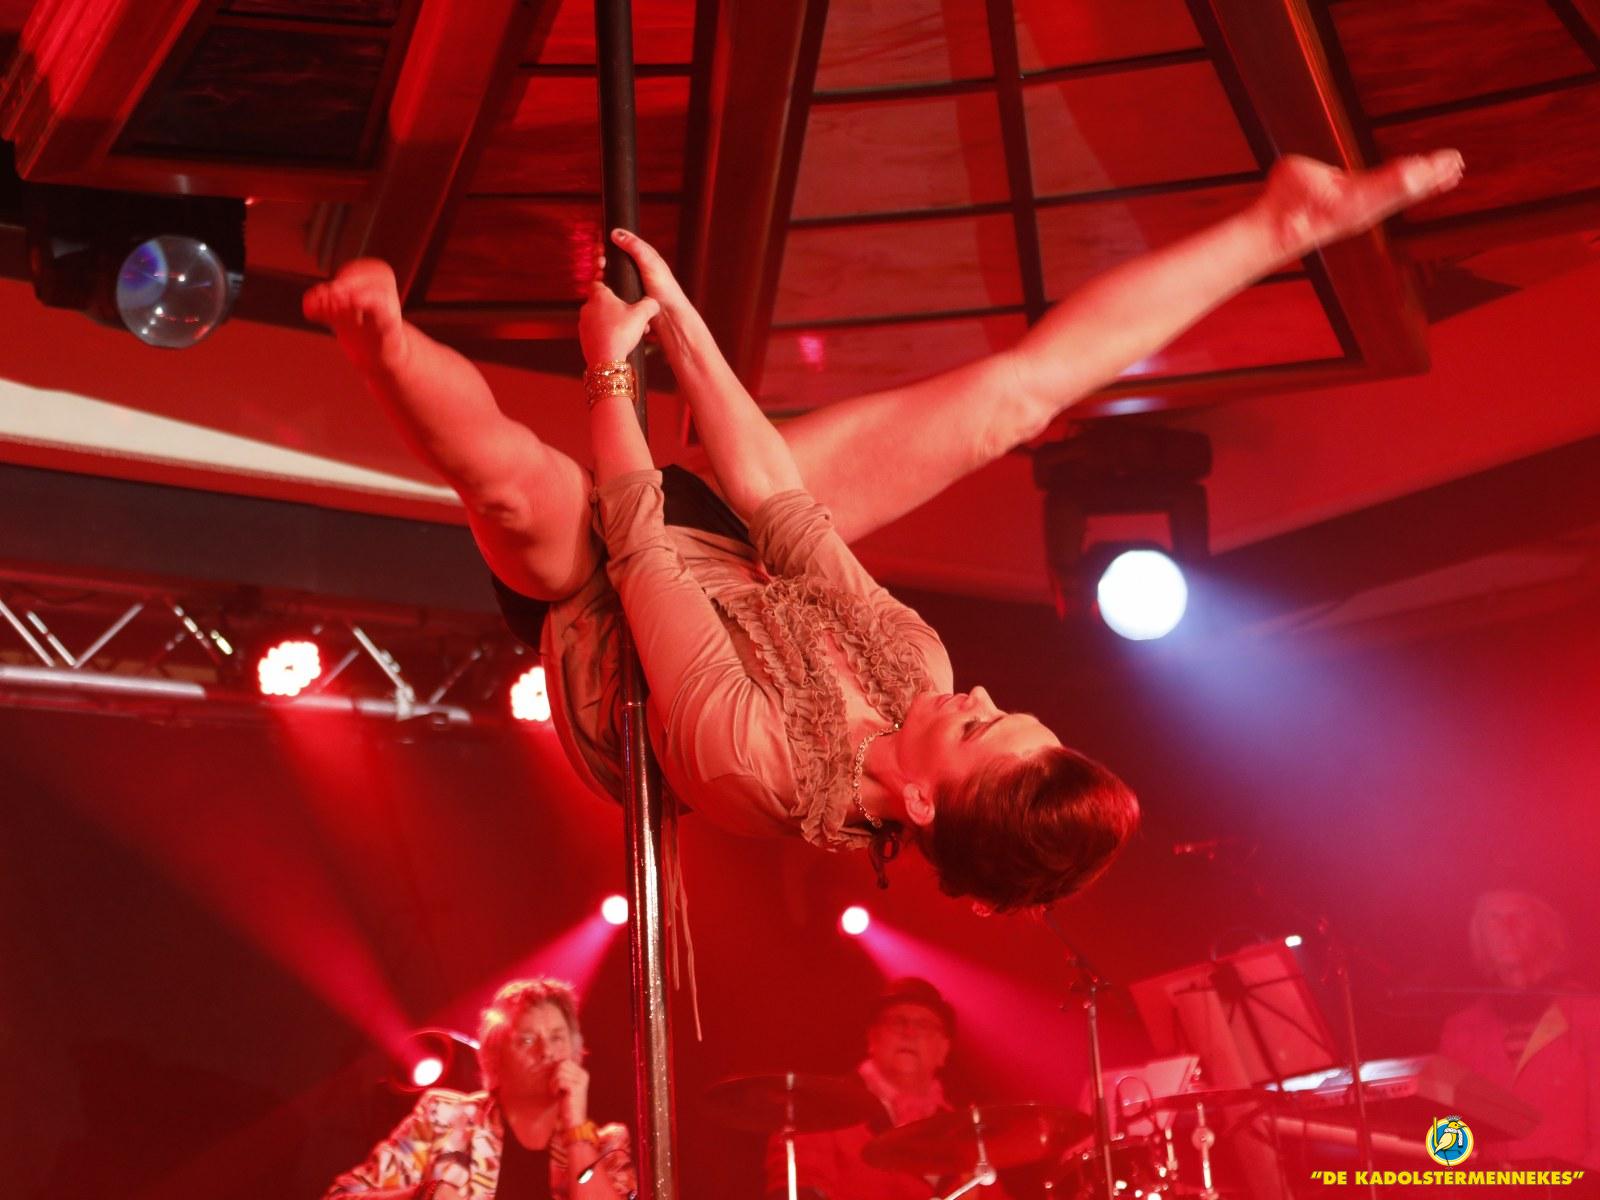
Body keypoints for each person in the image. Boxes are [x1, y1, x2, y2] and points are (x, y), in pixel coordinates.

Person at [303, 150, 1462, 913]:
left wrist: (612, 370)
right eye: (1006, 708)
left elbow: (637, 541)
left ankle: (378, 340)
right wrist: (675, 321)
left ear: (920, 804)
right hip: (739, 563)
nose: (978, 697)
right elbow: (775, 501)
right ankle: (1279, 224)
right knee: (1010, 404)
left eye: (979, 730)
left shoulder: (753, 767)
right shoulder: (920, 673)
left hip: (615, 640)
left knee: (524, 494)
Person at [325, 978, 635, 1199]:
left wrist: (576, 1129)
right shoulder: (444, 1119)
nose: (546, 1052)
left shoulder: (607, 1146)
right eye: (527, 1040)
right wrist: (422, 1195)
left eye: (557, 1037)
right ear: (496, 1056)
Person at [762, 977, 1005, 1200]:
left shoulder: (966, 1135)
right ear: (871, 1038)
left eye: (925, 1025)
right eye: (897, 1021)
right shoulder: (820, 1110)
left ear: (944, 1050)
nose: (909, 1032)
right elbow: (798, 1190)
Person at [1438, 891, 1599, 1170]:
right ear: (1480, 938)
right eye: (1494, 919)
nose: (1506, 927)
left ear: (1544, 929)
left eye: (1520, 915)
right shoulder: (1461, 1029)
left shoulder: (1589, 1015)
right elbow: (1450, 1136)